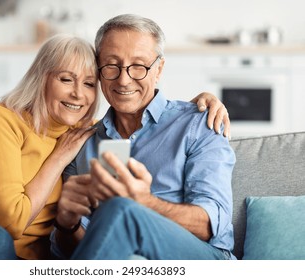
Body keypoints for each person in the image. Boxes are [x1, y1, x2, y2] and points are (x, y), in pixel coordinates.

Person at [0, 34, 227, 260]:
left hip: (21, 263)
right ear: (41, 79)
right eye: (66, 79)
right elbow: (11, 223)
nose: (78, 94)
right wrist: (59, 157)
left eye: (88, 84)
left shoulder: (87, 136)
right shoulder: (7, 120)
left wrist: (197, 106)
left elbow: (147, 108)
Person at [51, 14, 236, 260]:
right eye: (111, 65)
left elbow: (211, 224)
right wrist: (67, 224)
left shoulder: (198, 123)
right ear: (98, 70)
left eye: (139, 66)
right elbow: (86, 249)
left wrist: (146, 203)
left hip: (202, 259)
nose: (124, 79)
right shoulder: (83, 144)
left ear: (158, 69)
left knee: (120, 208)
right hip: (123, 264)